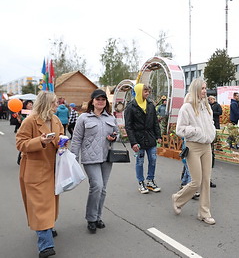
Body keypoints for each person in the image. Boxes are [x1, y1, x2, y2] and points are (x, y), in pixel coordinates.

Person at [15, 91, 63, 258]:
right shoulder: (30, 121)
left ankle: (47, 228)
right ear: (46, 104)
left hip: (52, 168)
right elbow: (20, 143)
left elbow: (59, 138)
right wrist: (40, 141)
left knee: (49, 203)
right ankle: (46, 246)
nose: (57, 105)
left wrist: (62, 142)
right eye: (54, 102)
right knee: (40, 207)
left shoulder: (56, 120)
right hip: (35, 169)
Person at [71, 89, 118, 234]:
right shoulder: (84, 118)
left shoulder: (111, 118)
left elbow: (119, 135)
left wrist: (114, 137)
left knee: (103, 188)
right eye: (98, 99)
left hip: (106, 158)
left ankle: (98, 217)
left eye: (103, 99)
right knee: (96, 186)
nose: (101, 101)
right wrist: (73, 159)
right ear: (92, 101)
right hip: (90, 158)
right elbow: (76, 139)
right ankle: (91, 218)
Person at [172, 78, 216, 225]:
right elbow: (180, 129)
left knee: (205, 181)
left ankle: (204, 213)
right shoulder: (187, 107)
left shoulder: (206, 106)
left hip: (207, 146)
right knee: (196, 181)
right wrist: (196, 131)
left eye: (205, 88)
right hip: (193, 146)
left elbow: (210, 123)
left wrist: (211, 133)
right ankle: (178, 199)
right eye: (202, 88)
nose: (205, 91)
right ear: (196, 89)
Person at [124, 83, 162, 194]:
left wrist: (158, 136)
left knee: (153, 160)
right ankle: (141, 182)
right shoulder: (131, 106)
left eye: (148, 91)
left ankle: (150, 180)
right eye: (145, 91)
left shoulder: (150, 104)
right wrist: (133, 142)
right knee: (139, 161)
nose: (147, 93)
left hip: (150, 137)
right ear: (139, 92)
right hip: (138, 139)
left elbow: (155, 121)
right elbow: (128, 126)